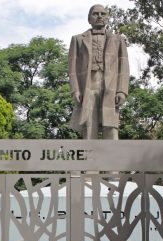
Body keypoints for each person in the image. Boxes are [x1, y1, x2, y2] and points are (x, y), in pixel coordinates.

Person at [68, 4, 130, 140]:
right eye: (95, 14)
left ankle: (113, 159)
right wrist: (75, 90)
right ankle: (90, 158)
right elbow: (72, 69)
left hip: (110, 86)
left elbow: (124, 68)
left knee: (111, 126)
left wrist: (121, 91)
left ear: (108, 18)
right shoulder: (77, 40)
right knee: (89, 125)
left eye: (103, 14)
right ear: (89, 19)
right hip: (88, 85)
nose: (99, 16)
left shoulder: (118, 40)